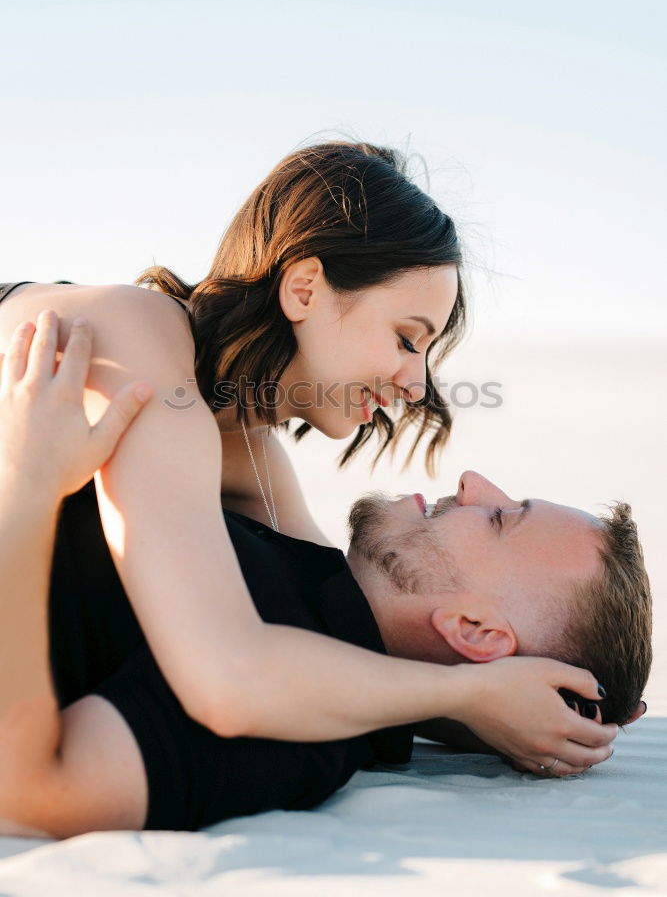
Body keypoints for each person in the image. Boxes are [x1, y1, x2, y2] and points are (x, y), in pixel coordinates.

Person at [0, 140, 632, 820]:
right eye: (405, 336)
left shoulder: (242, 461)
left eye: (501, 518)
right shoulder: (157, 363)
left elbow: (253, 667)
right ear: (301, 289)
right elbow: (252, 658)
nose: (416, 384)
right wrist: (469, 696)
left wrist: (493, 698)